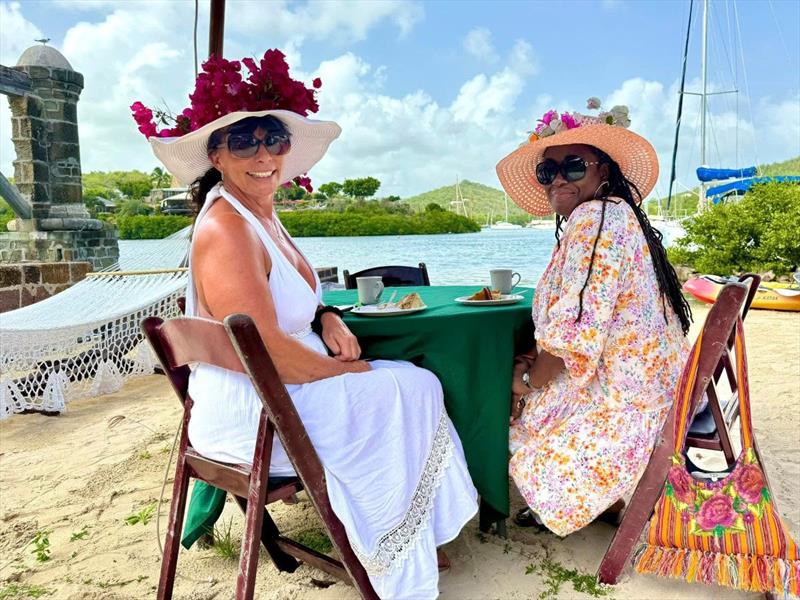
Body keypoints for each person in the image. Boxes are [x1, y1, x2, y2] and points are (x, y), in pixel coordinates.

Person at [135, 51, 477, 599]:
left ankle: (403, 537)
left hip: (273, 392)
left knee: (407, 384)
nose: (264, 153)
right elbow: (263, 348)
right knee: (413, 383)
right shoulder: (226, 228)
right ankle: (396, 544)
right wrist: (354, 370)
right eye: (245, 141)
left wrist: (326, 313)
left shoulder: (259, 213)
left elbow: (281, 306)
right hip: (259, 412)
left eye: (274, 138)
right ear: (216, 155)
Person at [495, 100, 692, 537]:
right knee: (525, 383)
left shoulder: (595, 218)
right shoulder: (615, 214)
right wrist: (532, 360)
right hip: (653, 386)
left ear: (604, 169)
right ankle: (598, 499)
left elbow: (575, 332)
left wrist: (524, 382)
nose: (559, 178)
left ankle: (572, 498)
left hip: (626, 401)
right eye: (548, 171)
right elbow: (578, 316)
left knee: (499, 403)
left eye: (574, 165)